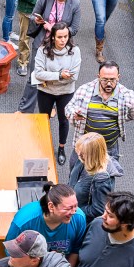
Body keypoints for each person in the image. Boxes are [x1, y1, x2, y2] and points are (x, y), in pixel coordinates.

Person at [18, 0, 81, 114]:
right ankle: (24, 109)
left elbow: (74, 29)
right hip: (42, 43)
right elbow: (34, 15)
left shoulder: (75, 4)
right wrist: (39, 20)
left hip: (61, 47)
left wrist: (56, 30)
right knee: (35, 76)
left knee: (55, 76)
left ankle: (51, 105)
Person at [65, 63, 134, 166]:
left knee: (106, 179)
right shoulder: (84, 90)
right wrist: (74, 114)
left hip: (108, 149)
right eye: (105, 80)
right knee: (75, 177)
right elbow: (68, 108)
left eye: (112, 79)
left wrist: (120, 118)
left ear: (118, 77)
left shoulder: (128, 96)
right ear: (98, 77)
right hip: (85, 147)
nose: (109, 83)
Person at [33, 23, 82, 166]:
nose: (63, 40)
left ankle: (61, 148)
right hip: (45, 91)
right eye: (60, 37)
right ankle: (43, 146)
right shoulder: (43, 50)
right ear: (53, 37)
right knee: (44, 119)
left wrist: (50, 77)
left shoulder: (75, 51)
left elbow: (74, 76)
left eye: (66, 36)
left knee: (64, 120)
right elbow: (38, 73)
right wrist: (60, 75)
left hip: (65, 92)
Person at [5, 183, 86, 267]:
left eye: (75, 206)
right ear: (51, 206)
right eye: (68, 208)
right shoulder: (24, 222)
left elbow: (76, 250)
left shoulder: (79, 218)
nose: (74, 212)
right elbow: (11, 253)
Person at [68, 133, 123, 222]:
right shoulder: (83, 158)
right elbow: (72, 180)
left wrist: (74, 211)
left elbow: (98, 210)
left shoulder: (102, 180)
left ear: (92, 155)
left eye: (81, 154)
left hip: (80, 219)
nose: (78, 154)